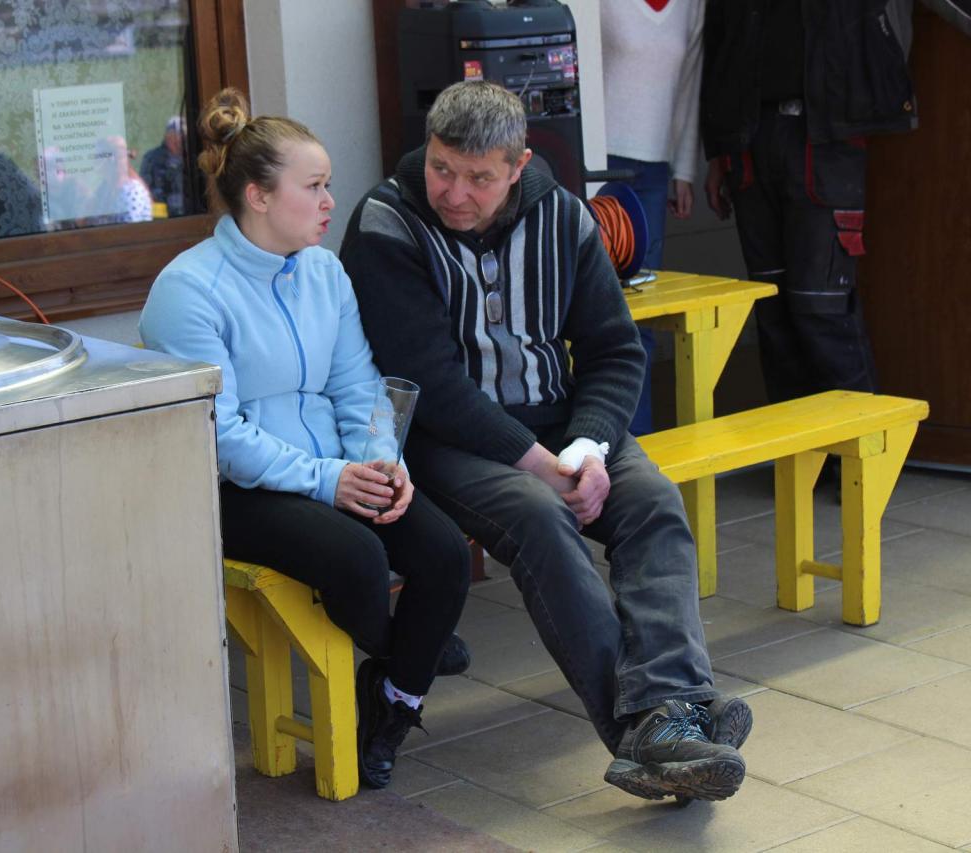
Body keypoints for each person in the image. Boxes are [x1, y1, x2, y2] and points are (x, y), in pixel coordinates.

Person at [340, 81, 751, 803]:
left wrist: (588, 448)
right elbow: (430, 380)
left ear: (518, 165)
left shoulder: (563, 215)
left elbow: (614, 350)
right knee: (540, 516)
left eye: (479, 178)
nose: (454, 193)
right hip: (442, 438)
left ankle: (670, 707)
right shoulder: (387, 223)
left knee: (653, 502)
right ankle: (648, 731)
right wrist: (539, 465)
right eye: (441, 168)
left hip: (562, 422)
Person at [139, 88, 471, 790]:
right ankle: (412, 650)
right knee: (356, 557)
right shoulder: (188, 291)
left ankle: (393, 699)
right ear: (258, 196)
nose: (330, 202)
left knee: (444, 553)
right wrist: (330, 480)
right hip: (234, 490)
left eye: (328, 185)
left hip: (330, 469)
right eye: (314, 186)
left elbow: (358, 386)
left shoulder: (325, 271)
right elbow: (221, 435)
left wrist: (381, 462)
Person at [700, 0, 969, 405]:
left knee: (821, 311)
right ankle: (801, 447)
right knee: (772, 313)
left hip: (825, 138)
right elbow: (719, 39)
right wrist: (717, 152)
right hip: (747, 142)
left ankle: (863, 447)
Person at [600, 0, 705, 434]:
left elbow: (689, 87)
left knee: (641, 318)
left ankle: (637, 448)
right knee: (593, 315)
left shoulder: (692, 5)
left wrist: (684, 169)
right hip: (596, 165)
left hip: (654, 173)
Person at [139, 115, 186, 216]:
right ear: (166, 137)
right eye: (173, 136)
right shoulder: (151, 158)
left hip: (190, 213)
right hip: (162, 216)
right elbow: (144, 191)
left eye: (181, 137)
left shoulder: (192, 157)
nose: (177, 141)